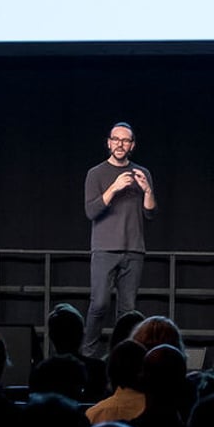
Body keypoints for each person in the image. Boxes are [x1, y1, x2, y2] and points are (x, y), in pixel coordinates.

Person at [83, 123, 157, 358]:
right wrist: (114, 188)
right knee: (99, 304)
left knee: (128, 310)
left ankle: (123, 357)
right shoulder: (95, 173)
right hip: (105, 249)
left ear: (132, 145)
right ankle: (88, 354)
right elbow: (91, 211)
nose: (120, 144)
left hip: (133, 249)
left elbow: (150, 213)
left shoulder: (142, 173)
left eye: (125, 141)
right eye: (116, 139)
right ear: (108, 142)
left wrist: (147, 191)